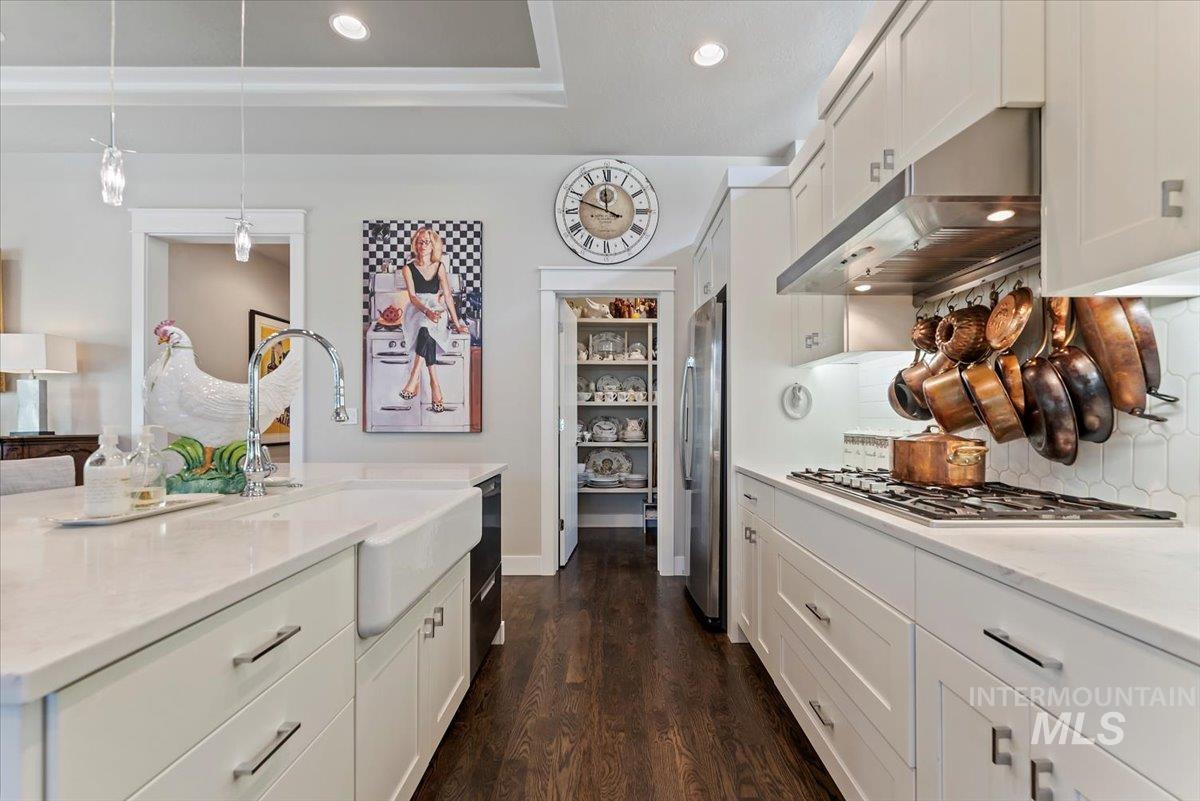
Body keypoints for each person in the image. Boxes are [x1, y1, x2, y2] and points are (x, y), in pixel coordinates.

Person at [399, 227, 469, 413]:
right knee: (424, 325)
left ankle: (414, 379)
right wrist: (426, 311)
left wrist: (456, 323)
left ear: (433, 245)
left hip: (437, 310)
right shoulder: (408, 268)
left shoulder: (439, 267)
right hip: (416, 310)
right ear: (415, 244)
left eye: (427, 242)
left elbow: (447, 296)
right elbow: (413, 297)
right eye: (420, 241)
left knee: (427, 327)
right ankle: (435, 385)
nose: (423, 245)